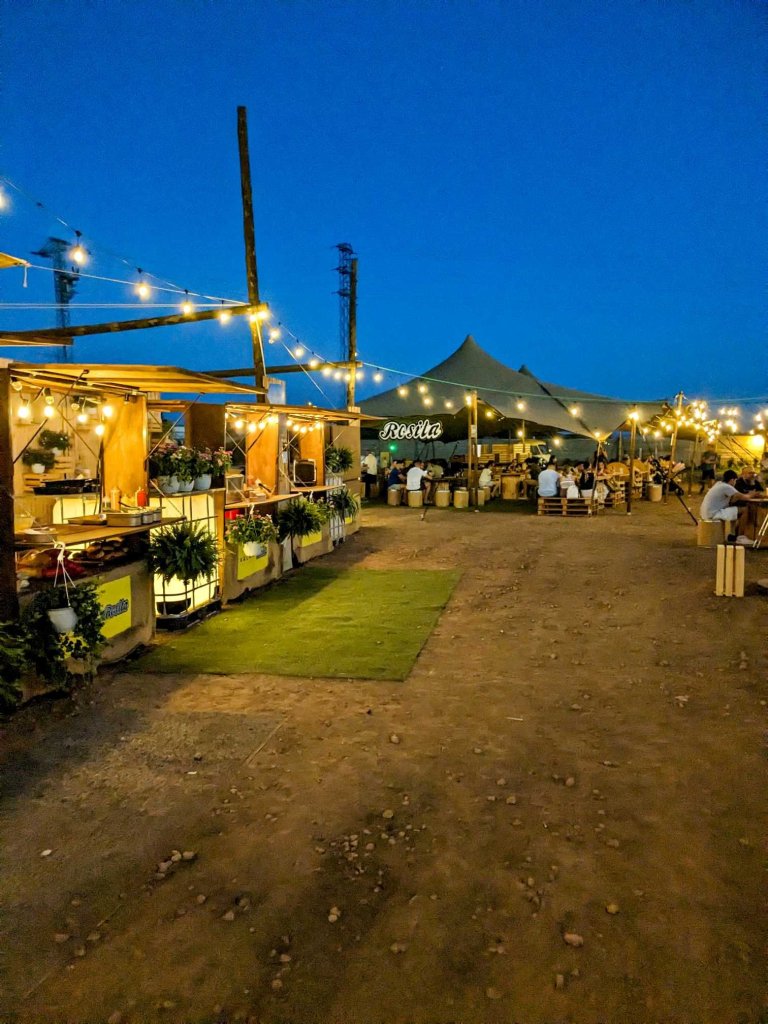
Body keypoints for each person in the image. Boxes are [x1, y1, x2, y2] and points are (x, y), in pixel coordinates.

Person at [700, 469, 761, 543]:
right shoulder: (727, 487)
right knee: (745, 510)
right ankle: (740, 537)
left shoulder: (719, 484)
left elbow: (731, 499)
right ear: (732, 480)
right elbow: (746, 497)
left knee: (735, 510)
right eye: (735, 480)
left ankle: (733, 534)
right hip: (713, 514)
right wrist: (754, 493)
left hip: (707, 512)